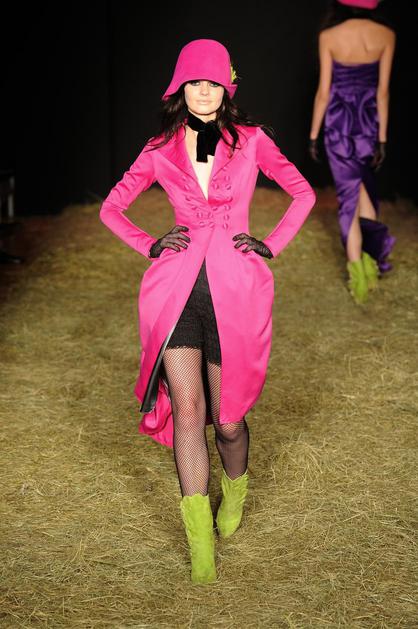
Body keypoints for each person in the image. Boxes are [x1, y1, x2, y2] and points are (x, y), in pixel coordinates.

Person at [99, 38, 316, 585]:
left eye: (212, 83)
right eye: (194, 82)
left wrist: (271, 242)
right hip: (174, 294)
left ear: (226, 88)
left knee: (228, 420)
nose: (203, 92)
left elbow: (303, 193)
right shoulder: (159, 148)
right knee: (188, 413)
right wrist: (149, 243)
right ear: (180, 88)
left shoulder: (253, 140)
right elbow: (111, 207)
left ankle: (235, 491)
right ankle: (200, 546)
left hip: (235, 292)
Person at [309, 0, 396, 304]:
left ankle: (357, 272)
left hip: (339, 125)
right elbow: (383, 92)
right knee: (364, 192)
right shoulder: (386, 34)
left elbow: (324, 92)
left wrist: (313, 134)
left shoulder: (329, 36)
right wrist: (382, 138)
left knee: (349, 198)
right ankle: (371, 265)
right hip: (369, 124)